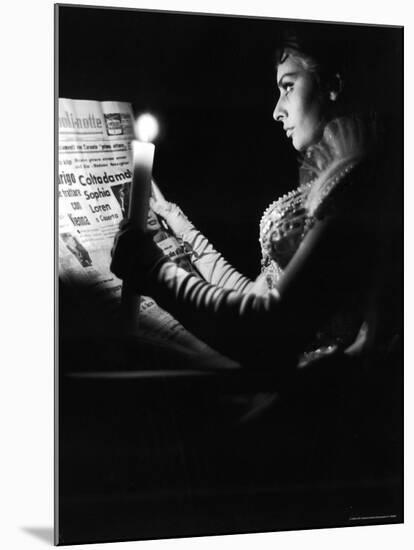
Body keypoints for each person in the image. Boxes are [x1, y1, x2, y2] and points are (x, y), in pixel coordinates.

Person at [111, 29, 400, 385]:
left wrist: (152, 271)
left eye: (289, 86)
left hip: (314, 406)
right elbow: (255, 294)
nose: (277, 110)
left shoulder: (358, 185)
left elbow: (267, 329)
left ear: (333, 84)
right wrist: (181, 227)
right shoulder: (335, 177)